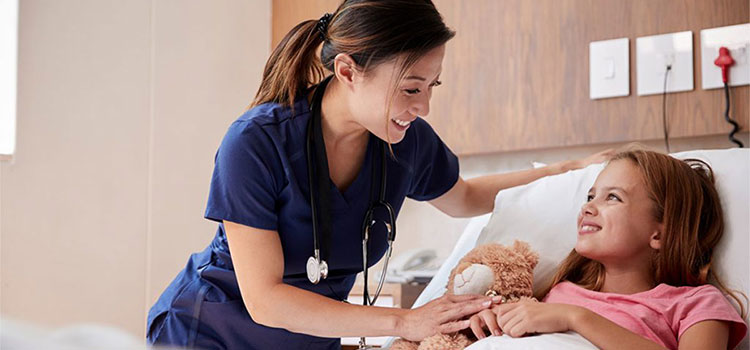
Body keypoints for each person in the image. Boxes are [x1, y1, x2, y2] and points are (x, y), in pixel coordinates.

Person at [146, 1, 611, 349]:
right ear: (348, 70)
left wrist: (565, 172)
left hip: (307, 340)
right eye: (411, 87)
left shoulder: (405, 141)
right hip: (209, 332)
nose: (423, 106)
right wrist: (405, 321)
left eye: (432, 87)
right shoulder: (256, 143)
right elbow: (266, 298)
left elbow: (464, 197)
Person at [468, 149, 748, 349]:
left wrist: (575, 318)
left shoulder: (696, 304)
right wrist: (494, 325)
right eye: (591, 196)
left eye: (612, 197)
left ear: (659, 234)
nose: (587, 207)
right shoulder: (559, 291)